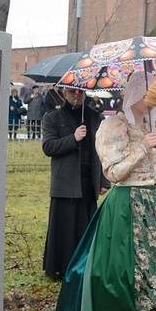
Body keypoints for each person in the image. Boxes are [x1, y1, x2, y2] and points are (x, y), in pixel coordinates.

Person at [55, 71, 156, 311]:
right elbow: (113, 172)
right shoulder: (113, 126)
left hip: (155, 204)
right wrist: (142, 147)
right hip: (125, 206)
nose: (153, 99)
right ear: (135, 93)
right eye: (149, 93)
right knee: (119, 271)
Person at [41, 87, 109, 279]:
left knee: (85, 227)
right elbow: (48, 146)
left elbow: (102, 151)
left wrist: (104, 180)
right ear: (65, 93)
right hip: (65, 183)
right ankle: (60, 267)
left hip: (89, 183)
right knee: (64, 227)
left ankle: (84, 265)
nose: (76, 95)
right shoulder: (52, 117)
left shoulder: (96, 118)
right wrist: (73, 138)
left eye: (80, 91)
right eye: (72, 91)